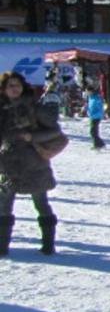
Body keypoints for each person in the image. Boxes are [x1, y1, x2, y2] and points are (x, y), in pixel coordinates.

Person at [0, 72, 64, 256]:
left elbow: (55, 130)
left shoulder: (34, 107)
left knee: (41, 203)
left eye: (17, 85)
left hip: (34, 163)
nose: (14, 89)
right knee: (4, 205)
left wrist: (32, 136)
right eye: (10, 86)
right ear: (4, 89)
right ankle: (2, 247)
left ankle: (48, 245)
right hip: (7, 164)